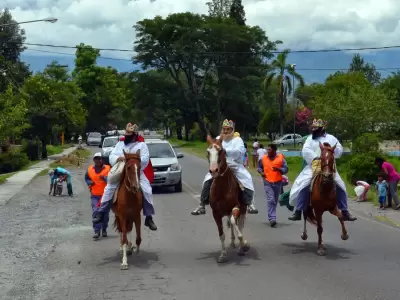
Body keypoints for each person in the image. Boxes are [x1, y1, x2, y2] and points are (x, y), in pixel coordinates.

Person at [288, 118, 357, 222]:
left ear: (321, 128)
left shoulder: (331, 138)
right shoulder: (310, 139)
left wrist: (333, 151)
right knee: (303, 184)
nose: (313, 130)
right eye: (313, 128)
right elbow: (305, 150)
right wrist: (315, 158)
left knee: (341, 185)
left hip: (329, 167)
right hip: (314, 166)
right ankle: (298, 210)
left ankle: (344, 211)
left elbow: (339, 149)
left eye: (315, 128)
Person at [92, 123, 158, 231]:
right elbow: (112, 155)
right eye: (126, 133)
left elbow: (145, 159)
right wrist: (118, 158)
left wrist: (133, 160)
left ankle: (149, 217)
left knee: (147, 189)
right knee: (109, 186)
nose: (127, 135)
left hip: (136, 171)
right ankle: (101, 212)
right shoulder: (120, 143)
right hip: (121, 169)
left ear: (134, 134)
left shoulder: (141, 145)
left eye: (129, 133)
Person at [191, 119, 256, 215]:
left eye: (228, 129)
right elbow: (211, 149)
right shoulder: (218, 139)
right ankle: (202, 204)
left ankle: (250, 203)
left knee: (247, 178)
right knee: (207, 179)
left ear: (232, 129)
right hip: (220, 165)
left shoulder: (237, 140)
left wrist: (224, 150)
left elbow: (240, 152)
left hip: (234, 165)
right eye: (224, 129)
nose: (225, 131)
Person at [257, 144, 288, 227]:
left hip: (278, 182)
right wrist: (261, 172)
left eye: (269, 150)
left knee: (274, 200)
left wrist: (279, 169)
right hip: (267, 182)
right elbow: (259, 167)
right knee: (271, 200)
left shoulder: (281, 158)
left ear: (274, 150)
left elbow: (286, 169)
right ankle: (272, 218)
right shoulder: (263, 158)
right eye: (267, 149)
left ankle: (272, 216)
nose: (268, 151)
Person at [85, 152, 111, 240]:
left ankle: (104, 229)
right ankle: (96, 231)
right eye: (96, 159)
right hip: (95, 195)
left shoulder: (108, 168)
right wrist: (89, 182)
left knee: (105, 214)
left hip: (106, 196)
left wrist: (105, 178)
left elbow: (112, 180)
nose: (98, 160)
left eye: (99, 159)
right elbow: (87, 178)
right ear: (94, 160)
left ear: (102, 160)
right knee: (96, 212)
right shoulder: (90, 169)